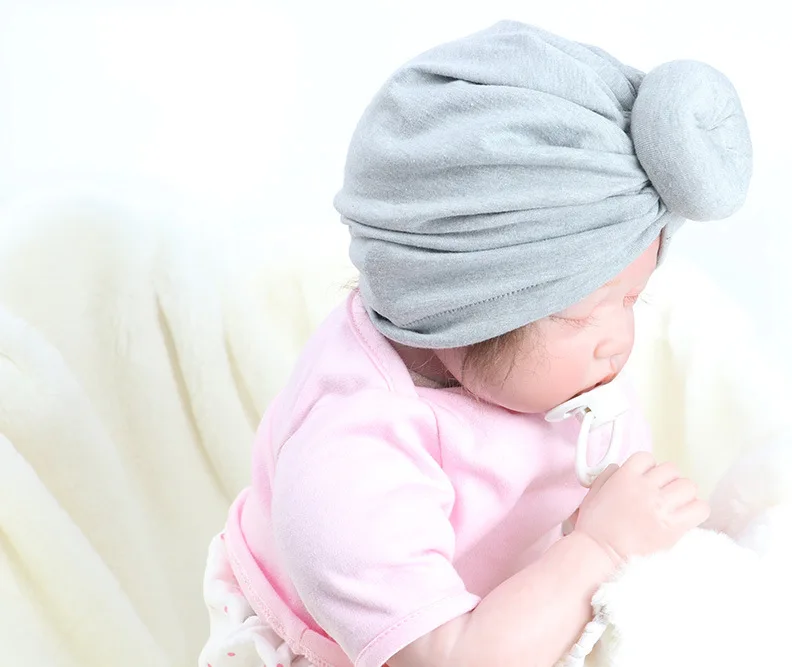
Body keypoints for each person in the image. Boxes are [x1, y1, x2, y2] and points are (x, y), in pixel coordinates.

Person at [199, 19, 751, 667]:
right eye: (583, 314)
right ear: (458, 306)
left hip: (506, 608)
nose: (618, 342)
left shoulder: (566, 373)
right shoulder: (351, 459)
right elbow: (449, 657)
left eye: (634, 300)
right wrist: (601, 548)